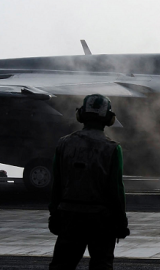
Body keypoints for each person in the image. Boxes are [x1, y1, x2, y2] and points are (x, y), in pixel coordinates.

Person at [48, 94, 130, 270]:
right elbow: (116, 189)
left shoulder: (64, 144)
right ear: (108, 118)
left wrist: (54, 213)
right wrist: (121, 222)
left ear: (81, 115)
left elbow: (57, 183)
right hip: (101, 220)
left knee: (61, 266)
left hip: (69, 216)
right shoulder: (112, 149)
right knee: (102, 265)